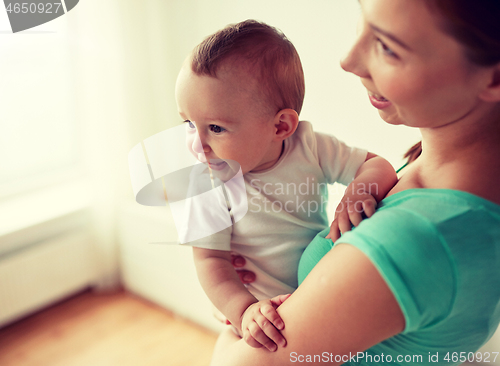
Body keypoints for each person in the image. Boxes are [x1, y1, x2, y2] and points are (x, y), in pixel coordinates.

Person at [208, 0, 500, 365]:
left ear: (493, 77)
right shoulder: (437, 174)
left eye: (388, 47)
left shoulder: (415, 238)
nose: (348, 60)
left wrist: (235, 324)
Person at [175, 20, 397, 352]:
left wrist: (360, 190)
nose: (198, 144)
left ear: (281, 125)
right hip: (263, 313)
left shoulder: (308, 147)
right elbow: (210, 261)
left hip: (320, 293)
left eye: (216, 128)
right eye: (189, 124)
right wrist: (243, 310)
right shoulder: (206, 183)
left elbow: (376, 165)